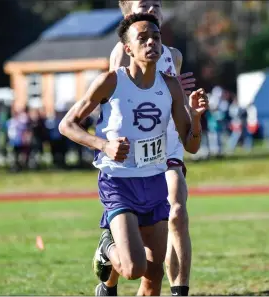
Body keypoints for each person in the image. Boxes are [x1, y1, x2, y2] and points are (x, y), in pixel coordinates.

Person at [58, 13, 207, 296]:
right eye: (143, 38)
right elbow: (67, 125)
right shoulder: (110, 82)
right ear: (128, 49)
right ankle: (106, 247)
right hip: (119, 182)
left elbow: (192, 145)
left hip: (155, 180)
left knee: (154, 276)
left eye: (156, 37)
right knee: (133, 268)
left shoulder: (171, 85)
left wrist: (196, 118)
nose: (152, 42)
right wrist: (104, 145)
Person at [96, 1, 197, 295]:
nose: (152, 7)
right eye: (144, 4)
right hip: (133, 156)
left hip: (169, 145)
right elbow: (116, 102)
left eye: (157, 3)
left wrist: (189, 106)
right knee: (135, 252)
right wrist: (107, 145)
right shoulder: (120, 52)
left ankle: (180, 288)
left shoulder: (173, 55)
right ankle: (109, 276)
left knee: (177, 210)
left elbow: (172, 94)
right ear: (128, 12)